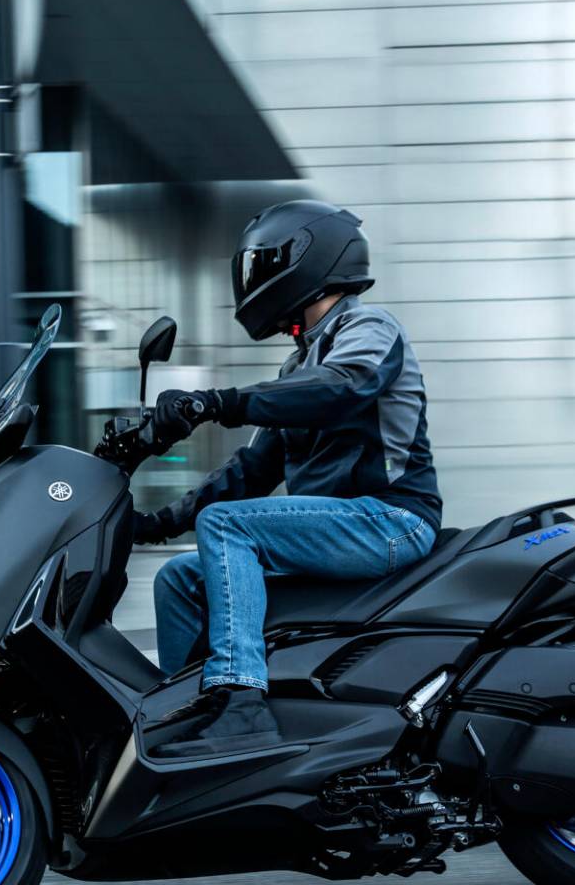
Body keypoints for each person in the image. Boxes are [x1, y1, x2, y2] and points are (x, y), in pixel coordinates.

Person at [133, 200, 443, 757]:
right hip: (338, 527)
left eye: (261, 265)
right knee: (179, 578)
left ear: (305, 257)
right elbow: (253, 470)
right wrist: (156, 523)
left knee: (226, 526)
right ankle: (184, 713)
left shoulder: (369, 328)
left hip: (389, 518)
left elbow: (344, 385)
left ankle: (241, 703)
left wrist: (216, 402)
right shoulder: (297, 367)